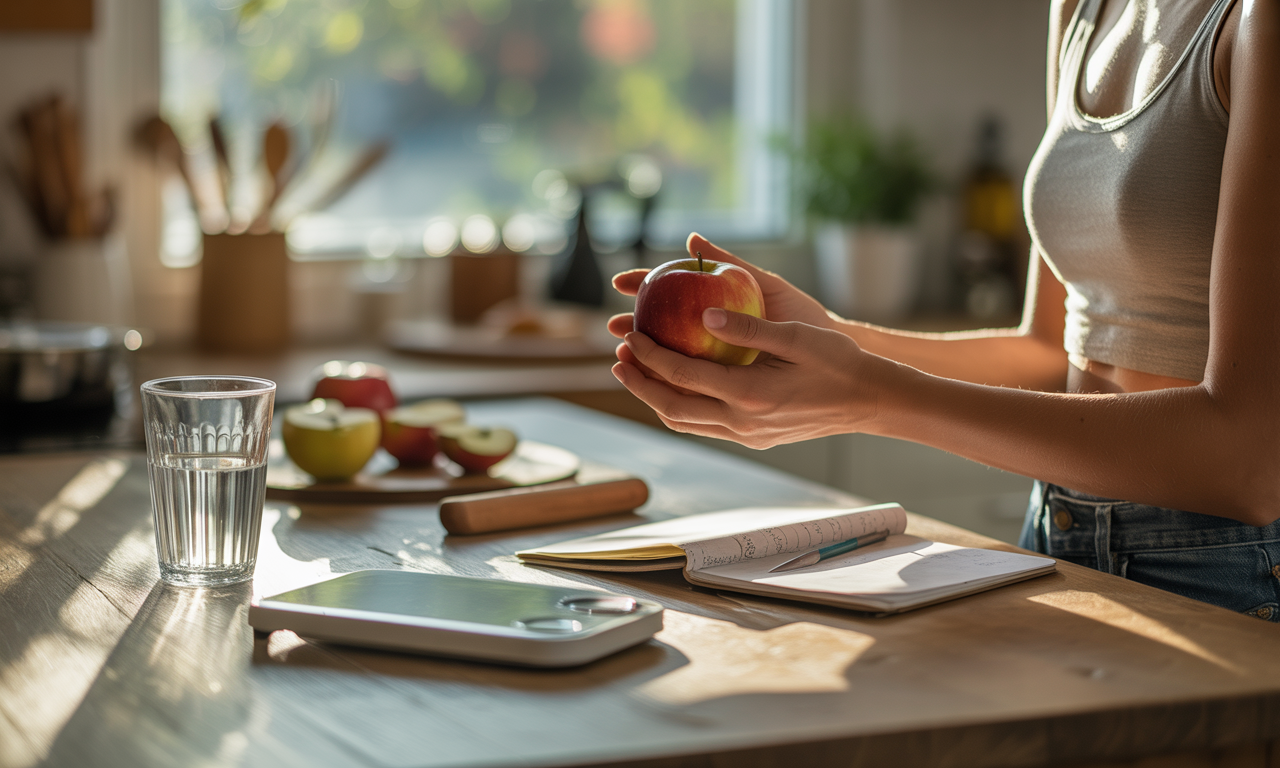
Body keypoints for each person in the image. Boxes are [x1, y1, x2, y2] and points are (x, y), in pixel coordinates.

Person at [606, 0, 1280, 620]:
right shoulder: (1082, 9)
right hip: (1059, 532)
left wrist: (872, 398)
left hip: (1229, 566)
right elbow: (1050, 352)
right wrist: (831, 341)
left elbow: (1252, 465)